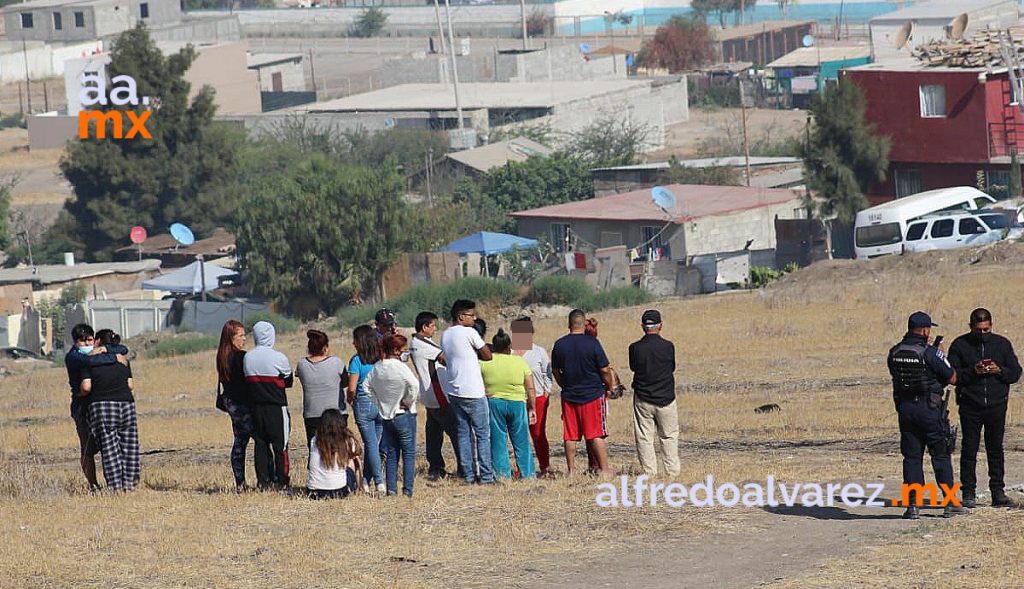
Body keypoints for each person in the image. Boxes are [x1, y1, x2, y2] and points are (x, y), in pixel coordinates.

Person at [887, 311, 964, 519]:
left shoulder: (895, 351)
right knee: (940, 455)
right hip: (930, 410)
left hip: (905, 411)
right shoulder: (930, 353)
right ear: (924, 330)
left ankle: (913, 505)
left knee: (911, 458)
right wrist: (939, 354)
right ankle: (949, 502)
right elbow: (953, 377)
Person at [947, 308, 1022, 508]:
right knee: (969, 449)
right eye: (978, 330)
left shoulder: (1002, 344)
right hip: (970, 404)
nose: (982, 334)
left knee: (995, 449)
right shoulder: (960, 345)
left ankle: (998, 492)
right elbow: (952, 375)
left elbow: (1015, 373)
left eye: (986, 330)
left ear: (991, 325)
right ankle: (968, 492)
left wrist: (999, 370)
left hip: (997, 405)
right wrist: (973, 371)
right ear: (971, 327)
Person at [552, 309, 616, 477]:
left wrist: (564, 385)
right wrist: (609, 386)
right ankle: (605, 470)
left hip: (569, 395)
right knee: (596, 433)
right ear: (584, 323)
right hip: (593, 395)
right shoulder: (593, 343)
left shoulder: (560, 344)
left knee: (570, 435)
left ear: (569, 324)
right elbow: (604, 369)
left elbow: (556, 370)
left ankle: (571, 470)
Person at [65, 323, 128, 491]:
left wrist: (104, 351)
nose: (86, 345)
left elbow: (123, 348)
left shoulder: (97, 351)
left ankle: (115, 482)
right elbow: (90, 360)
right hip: (82, 407)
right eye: (82, 341)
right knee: (87, 448)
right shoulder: (73, 357)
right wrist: (112, 356)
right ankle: (93, 484)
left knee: (110, 446)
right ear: (75, 342)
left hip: (102, 405)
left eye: (90, 341)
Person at [441, 299, 495, 484]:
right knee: (482, 435)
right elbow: (487, 355)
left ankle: (469, 475)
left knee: (463, 434)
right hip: (473, 391)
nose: (475, 318)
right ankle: (487, 476)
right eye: (472, 315)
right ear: (461, 316)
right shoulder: (470, 332)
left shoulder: (446, 335)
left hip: (454, 391)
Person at [79, 329, 139, 492]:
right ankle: (130, 484)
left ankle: (115, 487)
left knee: (109, 446)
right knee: (130, 445)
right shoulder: (122, 359)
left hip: (102, 405)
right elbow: (130, 385)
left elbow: (86, 386)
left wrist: (80, 394)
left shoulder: (88, 361)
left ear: (98, 341)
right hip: (126, 404)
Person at [410, 311, 463, 480]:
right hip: (438, 395)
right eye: (432, 325)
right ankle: (464, 467)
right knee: (456, 432)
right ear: (424, 327)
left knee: (433, 434)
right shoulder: (424, 345)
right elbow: (444, 358)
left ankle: (436, 467)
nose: (435, 328)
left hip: (429, 395)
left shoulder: (417, 342)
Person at [628, 310, 680, 477]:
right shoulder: (668, 346)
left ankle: (650, 473)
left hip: (643, 398)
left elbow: (634, 368)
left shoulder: (634, 348)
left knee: (644, 437)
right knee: (669, 436)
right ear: (661, 326)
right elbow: (671, 367)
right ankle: (672, 472)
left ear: (643, 327)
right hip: (666, 398)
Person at [366, 334, 419, 497]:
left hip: (387, 416)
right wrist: (408, 401)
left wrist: (380, 402)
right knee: (408, 453)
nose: (407, 353)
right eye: (404, 350)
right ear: (395, 351)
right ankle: (407, 490)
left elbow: (365, 386)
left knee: (391, 453)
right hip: (404, 414)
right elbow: (414, 384)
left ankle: (391, 489)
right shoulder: (400, 367)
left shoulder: (377, 367)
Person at [243, 321, 294, 490]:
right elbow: (288, 381)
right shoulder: (279, 357)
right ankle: (282, 481)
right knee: (281, 446)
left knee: (261, 444)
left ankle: (263, 481)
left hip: (255, 408)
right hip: (276, 407)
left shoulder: (248, 357)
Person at [481, 329, 537, 480]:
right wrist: (532, 407)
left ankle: (502, 475)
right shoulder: (519, 361)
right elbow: (530, 387)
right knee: (522, 441)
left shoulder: (485, 363)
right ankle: (528, 474)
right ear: (509, 347)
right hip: (517, 404)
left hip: (494, 403)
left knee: (498, 440)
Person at [511, 317, 553, 477]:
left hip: (539, 398)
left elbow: (547, 373)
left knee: (538, 434)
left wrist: (547, 391)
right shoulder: (510, 352)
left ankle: (545, 467)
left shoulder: (538, 351)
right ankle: (522, 468)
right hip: (516, 399)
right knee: (518, 434)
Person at [348, 325, 386, 493]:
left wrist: (350, 400)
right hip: (381, 401)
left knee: (370, 444)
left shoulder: (356, 360)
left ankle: (379, 481)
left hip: (363, 402)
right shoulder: (382, 358)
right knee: (374, 445)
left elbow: (351, 388)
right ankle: (365, 480)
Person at [216, 320, 253, 491]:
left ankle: (240, 482)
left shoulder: (222, 356)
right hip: (244, 404)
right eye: (241, 335)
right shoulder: (241, 357)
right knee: (259, 440)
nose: (244, 339)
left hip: (232, 405)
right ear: (231, 337)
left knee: (239, 442)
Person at [295, 329, 348, 449]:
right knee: (338, 450)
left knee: (315, 451)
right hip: (336, 414)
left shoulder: (302, 364)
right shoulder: (337, 362)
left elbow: (298, 375)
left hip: (312, 414)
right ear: (325, 347)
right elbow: (345, 383)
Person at [307, 409, 362, 500]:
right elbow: (356, 454)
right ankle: (359, 487)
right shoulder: (347, 440)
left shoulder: (315, 440)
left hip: (314, 493)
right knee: (353, 459)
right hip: (339, 491)